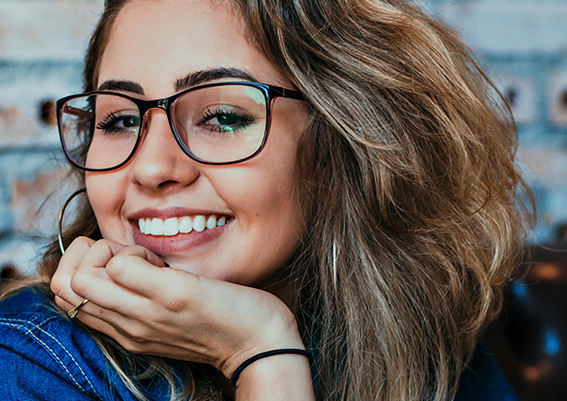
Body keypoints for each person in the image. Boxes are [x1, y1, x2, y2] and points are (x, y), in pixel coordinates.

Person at [0, 0, 530, 400]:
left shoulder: (420, 332)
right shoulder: (29, 365)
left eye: (223, 116)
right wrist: (262, 357)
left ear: (343, 142)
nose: (152, 167)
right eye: (119, 120)